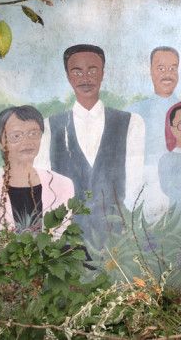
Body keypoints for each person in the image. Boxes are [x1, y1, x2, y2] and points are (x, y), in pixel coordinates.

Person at [34, 44, 145, 238]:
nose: (85, 78)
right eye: (77, 72)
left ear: (103, 73)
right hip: (67, 239)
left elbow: (136, 184)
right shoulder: (49, 127)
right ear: (68, 77)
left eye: (92, 70)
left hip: (116, 237)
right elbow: (45, 188)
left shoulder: (131, 123)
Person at [0, 105, 74, 256]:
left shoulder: (62, 185)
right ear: (0, 142)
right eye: (16, 136)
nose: (27, 142)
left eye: (34, 133)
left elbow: (61, 240)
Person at [129, 46, 180, 170]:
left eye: (173, 68)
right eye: (161, 68)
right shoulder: (133, 112)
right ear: (151, 71)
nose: (168, 74)